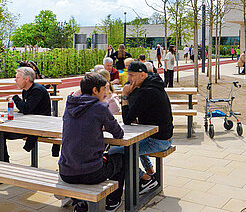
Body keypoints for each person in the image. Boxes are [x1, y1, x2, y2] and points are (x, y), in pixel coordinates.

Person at [58, 73, 125, 212]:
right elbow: (118, 133)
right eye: (104, 89)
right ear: (95, 90)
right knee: (121, 159)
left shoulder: (70, 105)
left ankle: (80, 203)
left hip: (66, 172)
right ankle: (113, 201)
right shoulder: (99, 107)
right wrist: (104, 125)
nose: (106, 93)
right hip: (92, 173)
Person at [108, 61, 173, 196]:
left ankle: (146, 179)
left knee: (115, 151)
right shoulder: (153, 84)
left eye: (132, 75)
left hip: (158, 140)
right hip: (162, 136)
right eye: (128, 75)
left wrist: (125, 96)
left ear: (143, 75)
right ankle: (150, 172)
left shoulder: (146, 92)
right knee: (133, 145)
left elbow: (127, 119)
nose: (129, 79)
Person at [4, 67, 51, 163]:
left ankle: (4, 161)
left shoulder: (37, 90)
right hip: (31, 122)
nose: (15, 80)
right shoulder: (26, 90)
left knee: (1, 133)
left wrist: (15, 98)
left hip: (40, 126)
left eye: (17, 78)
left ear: (26, 79)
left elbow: (26, 108)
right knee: (2, 132)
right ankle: (4, 160)